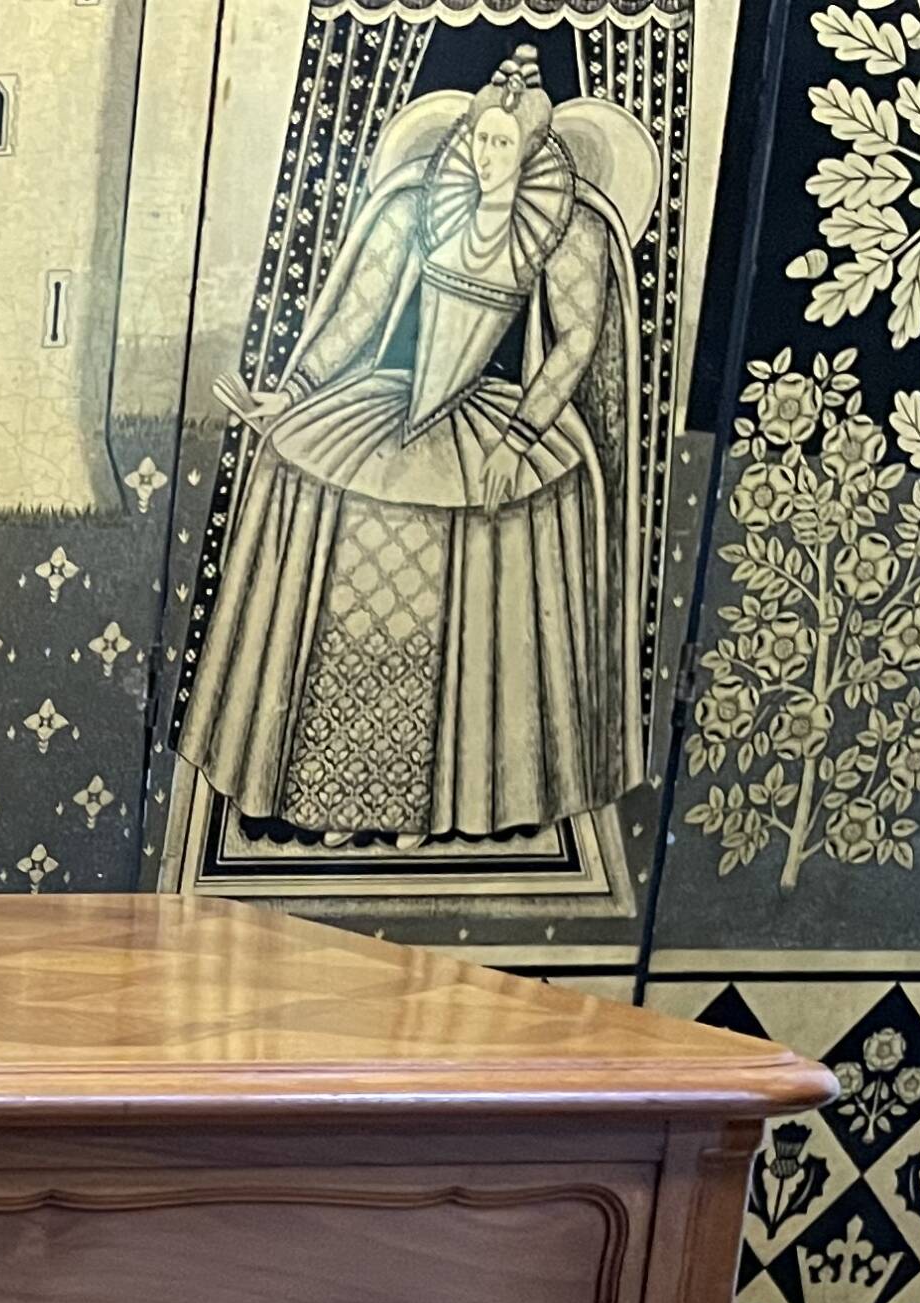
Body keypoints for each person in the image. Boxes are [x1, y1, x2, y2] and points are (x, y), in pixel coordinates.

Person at [179, 47, 657, 843]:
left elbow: (575, 343)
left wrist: (522, 433)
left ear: (535, 148)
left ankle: (437, 808)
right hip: (388, 414)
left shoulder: (565, 229)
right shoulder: (419, 204)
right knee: (357, 612)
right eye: (481, 140)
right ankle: (343, 799)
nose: (489, 156)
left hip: (492, 425)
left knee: (453, 625)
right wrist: (292, 395)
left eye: (505, 145)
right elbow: (356, 319)